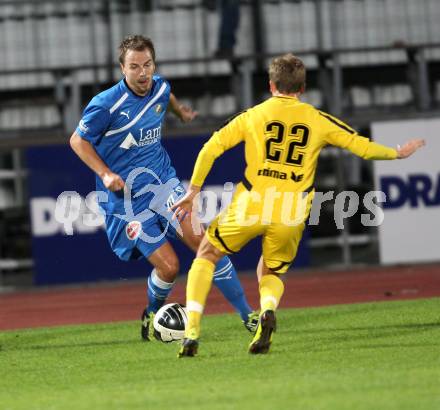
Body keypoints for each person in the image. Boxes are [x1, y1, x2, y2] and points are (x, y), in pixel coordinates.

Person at [171, 53, 426, 357]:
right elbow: (360, 146)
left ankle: (192, 331)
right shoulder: (317, 119)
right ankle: (267, 309)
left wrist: (195, 190)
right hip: (292, 208)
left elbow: (210, 148)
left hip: (252, 202)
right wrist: (396, 153)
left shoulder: (254, 115)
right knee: (271, 271)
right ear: (303, 88)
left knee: (208, 253)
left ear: (271, 84)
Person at [69, 35, 258, 341]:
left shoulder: (160, 87)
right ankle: (152, 312)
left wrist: (180, 111)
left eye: (147, 65)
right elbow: (77, 140)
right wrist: (105, 174)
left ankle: (248, 314)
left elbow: (165, 98)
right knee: (170, 268)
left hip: (164, 185)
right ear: (122, 68)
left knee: (205, 242)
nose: (142, 73)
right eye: (134, 66)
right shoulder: (105, 105)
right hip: (126, 201)